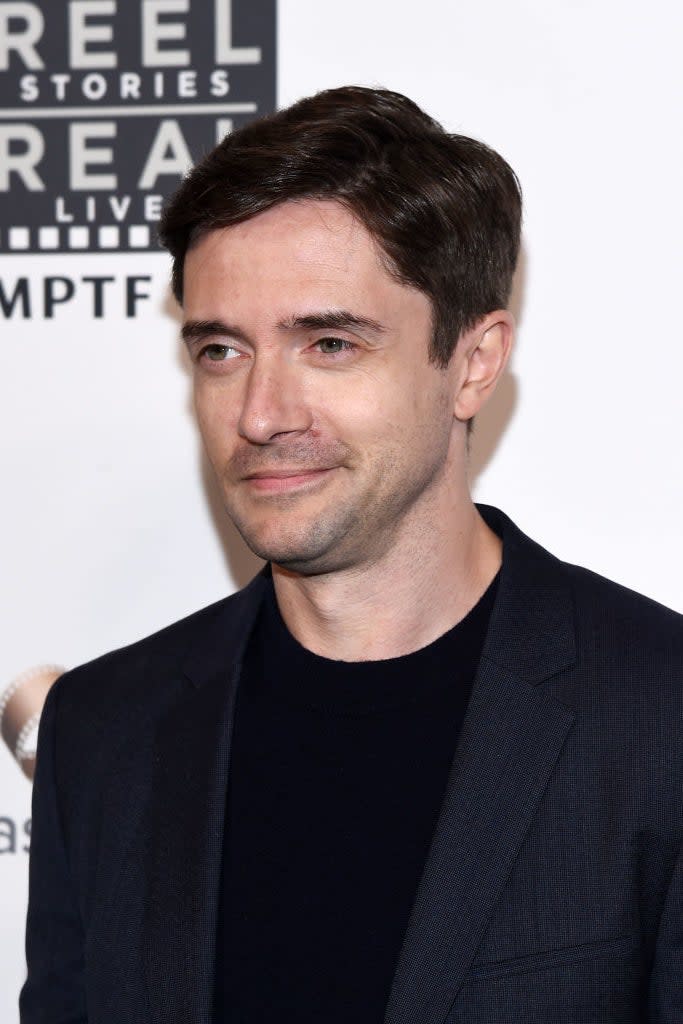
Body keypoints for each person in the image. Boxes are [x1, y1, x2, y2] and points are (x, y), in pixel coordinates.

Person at [21, 86, 682, 1023]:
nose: (259, 415)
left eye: (328, 343)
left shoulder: (659, 718)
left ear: (472, 361)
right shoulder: (106, 733)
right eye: (220, 351)